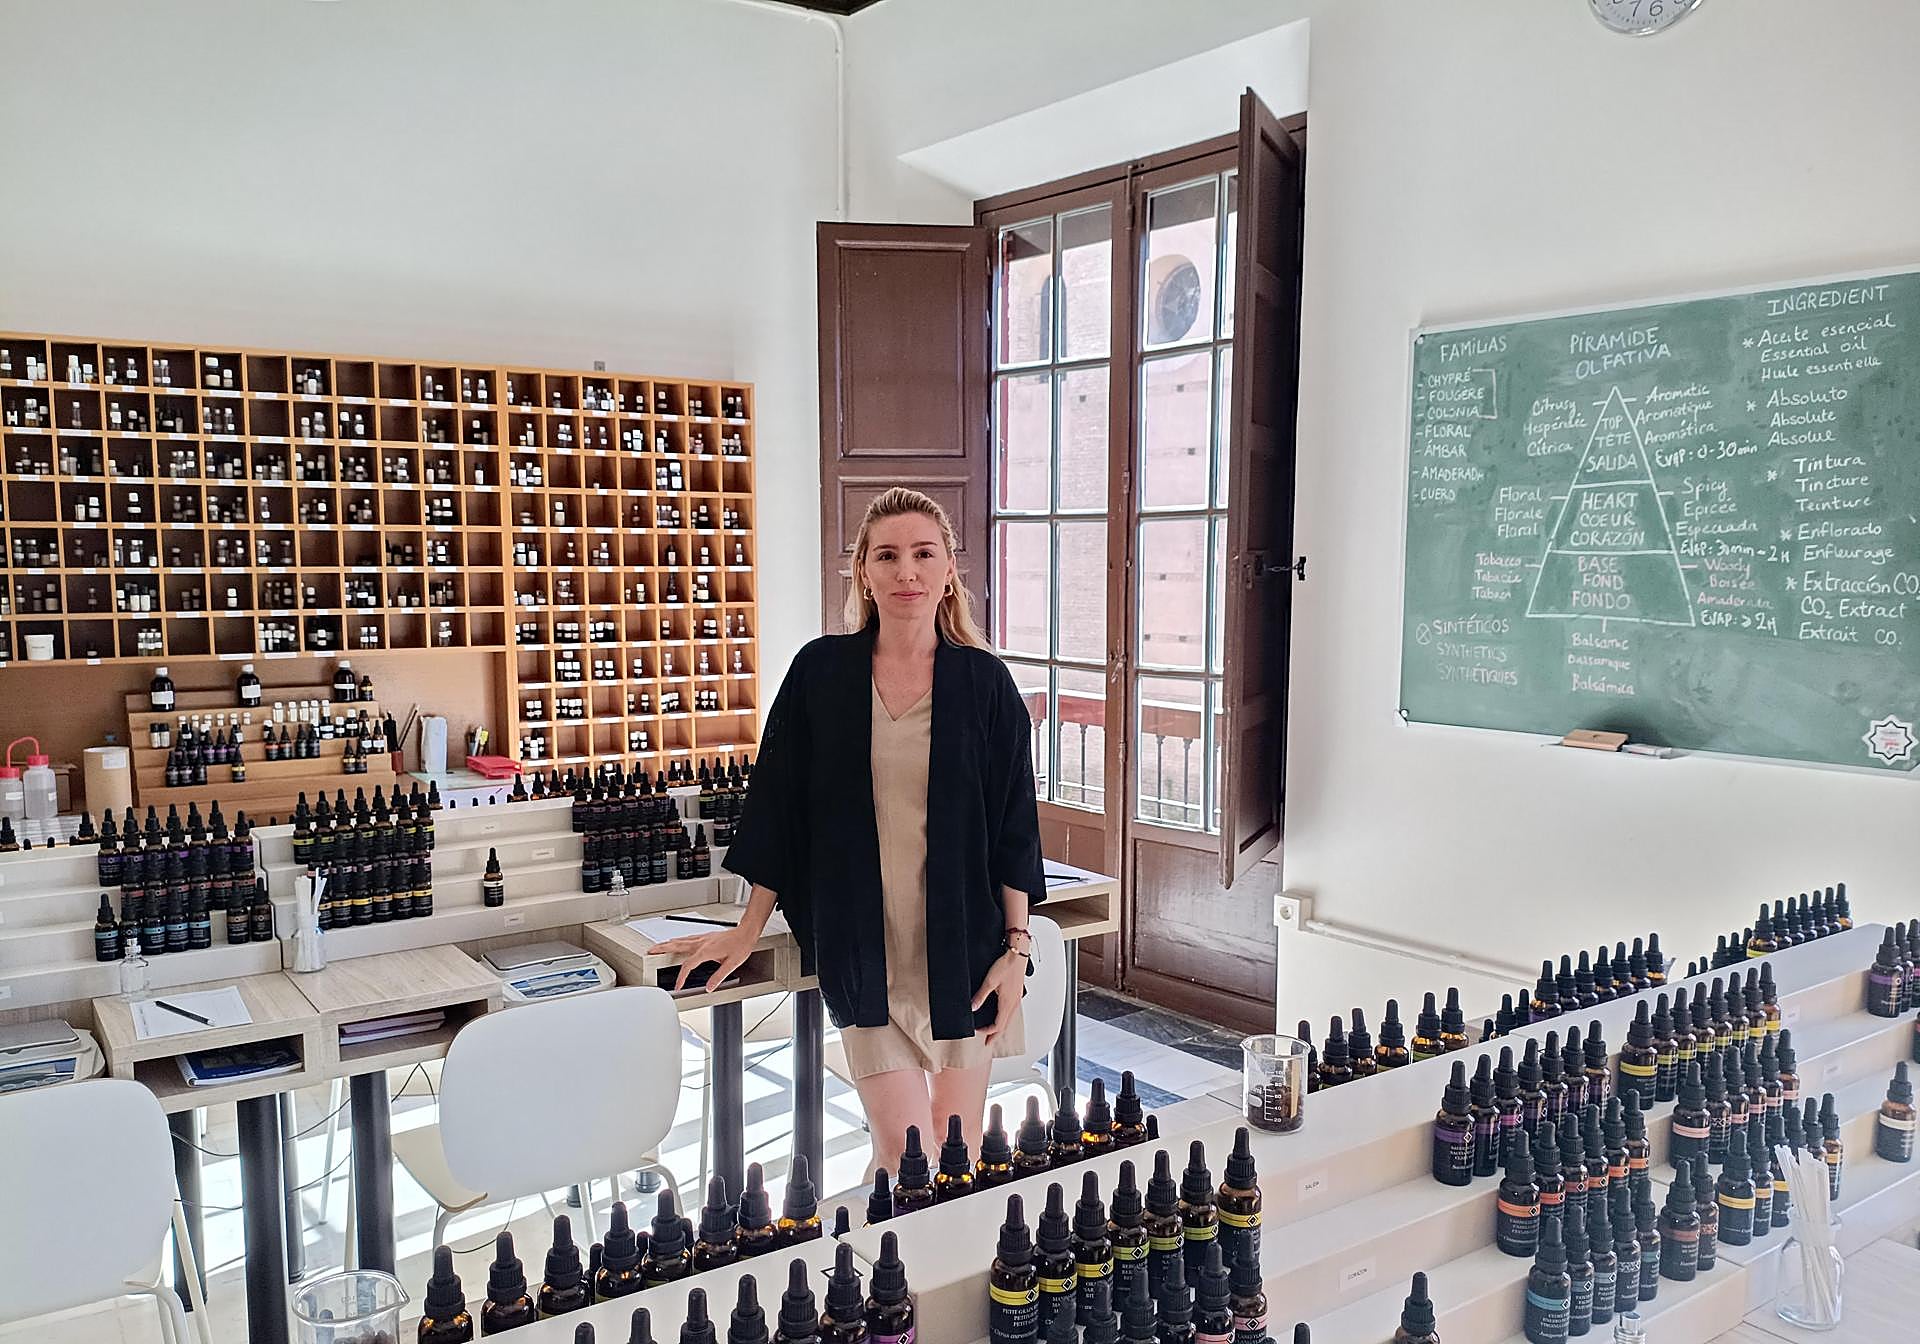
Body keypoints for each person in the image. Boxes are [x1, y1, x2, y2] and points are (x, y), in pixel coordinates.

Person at [652, 486, 1047, 1176]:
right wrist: (747, 929)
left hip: (966, 952)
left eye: (924, 554)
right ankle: (894, 1246)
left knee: (956, 1153)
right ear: (862, 570)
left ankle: (906, 1248)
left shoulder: (985, 683)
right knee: (903, 1154)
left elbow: (1015, 826)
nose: (906, 572)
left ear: (949, 568)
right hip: (864, 952)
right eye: (887, 556)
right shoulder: (821, 673)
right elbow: (780, 807)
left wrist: (1017, 951)